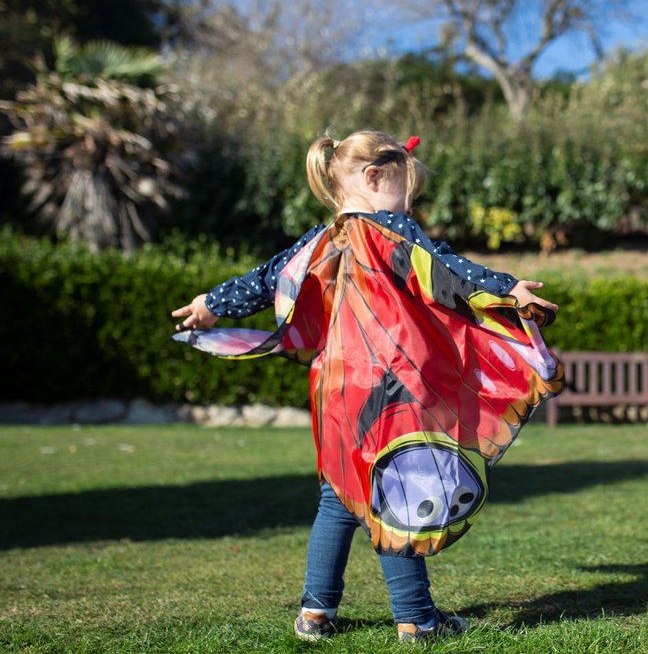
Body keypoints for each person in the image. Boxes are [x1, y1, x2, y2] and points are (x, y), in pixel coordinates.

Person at [172, 130, 562, 644]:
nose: (409, 206)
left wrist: (210, 304)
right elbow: (444, 270)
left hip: (335, 385)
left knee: (338, 496)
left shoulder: (318, 241)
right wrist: (503, 286)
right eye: (406, 191)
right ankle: (417, 619)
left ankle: (315, 613)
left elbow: (265, 280)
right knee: (398, 486)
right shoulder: (392, 230)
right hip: (390, 382)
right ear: (374, 178)